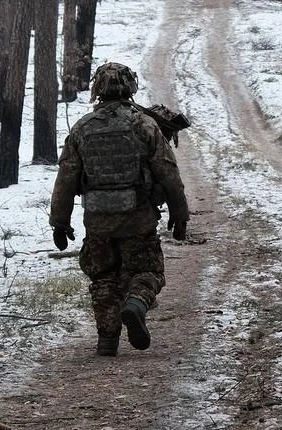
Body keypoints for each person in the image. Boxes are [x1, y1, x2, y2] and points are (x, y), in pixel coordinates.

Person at [49, 62, 190, 356]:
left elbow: (66, 176)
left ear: (97, 89)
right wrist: (179, 213)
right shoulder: (145, 125)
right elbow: (168, 172)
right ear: (131, 87)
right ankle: (136, 303)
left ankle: (107, 339)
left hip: (97, 220)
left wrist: (59, 221)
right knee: (147, 270)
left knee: (103, 276)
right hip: (138, 218)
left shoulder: (82, 128)